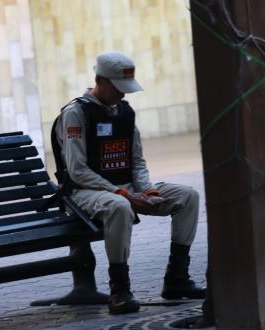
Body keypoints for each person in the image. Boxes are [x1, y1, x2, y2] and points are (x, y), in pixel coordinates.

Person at [50, 51, 205, 315]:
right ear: (99, 80)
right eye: (118, 88)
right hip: (85, 193)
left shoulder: (125, 112)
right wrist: (123, 193)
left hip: (125, 189)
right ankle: (119, 290)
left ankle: (177, 279)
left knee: (188, 196)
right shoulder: (76, 113)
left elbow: (137, 161)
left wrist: (148, 190)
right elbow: (77, 171)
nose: (123, 95)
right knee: (119, 206)